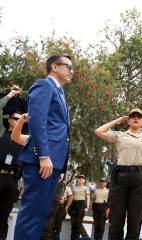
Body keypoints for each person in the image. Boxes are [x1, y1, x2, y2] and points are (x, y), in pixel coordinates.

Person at [14, 54, 73, 240]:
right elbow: (37, 121)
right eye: (68, 66)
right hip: (42, 160)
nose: (72, 71)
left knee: (40, 216)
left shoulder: (61, 93)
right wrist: (44, 155)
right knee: (32, 213)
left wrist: (60, 165)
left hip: (53, 163)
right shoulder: (44, 85)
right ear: (54, 67)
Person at [95, 108, 142, 239]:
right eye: (132, 116)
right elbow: (98, 131)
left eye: (139, 117)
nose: (136, 118)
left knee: (135, 221)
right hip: (120, 179)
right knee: (116, 220)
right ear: (128, 120)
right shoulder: (120, 135)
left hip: (138, 180)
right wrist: (117, 121)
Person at [0, 86, 23, 240]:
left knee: (3, 217)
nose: (18, 121)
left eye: (21, 119)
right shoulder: (1, 130)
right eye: (15, 118)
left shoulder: (24, 139)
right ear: (9, 120)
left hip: (12, 180)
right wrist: (11, 95)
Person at [66, 174, 90, 240]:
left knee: (78, 224)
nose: (80, 179)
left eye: (82, 178)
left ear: (84, 180)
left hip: (81, 205)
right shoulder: (73, 187)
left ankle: (76, 238)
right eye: (79, 178)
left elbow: (88, 197)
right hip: (73, 205)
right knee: (73, 223)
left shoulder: (86, 187)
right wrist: (68, 206)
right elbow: (70, 196)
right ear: (77, 179)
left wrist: (87, 207)